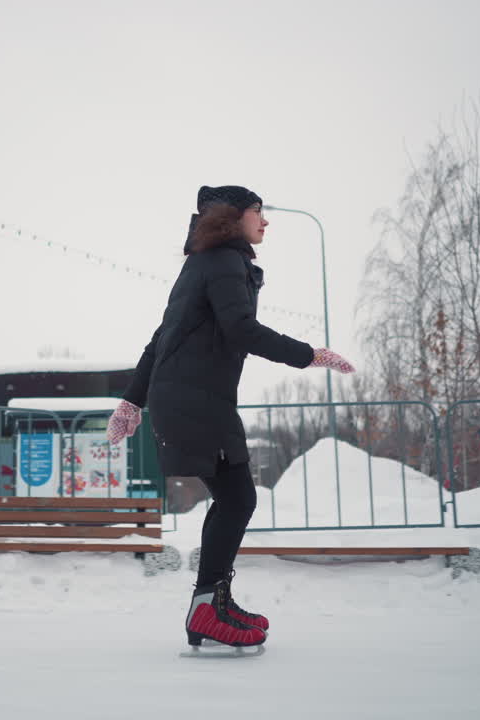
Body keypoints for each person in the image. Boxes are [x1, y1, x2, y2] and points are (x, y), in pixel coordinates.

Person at [107, 185, 356, 650]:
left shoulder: (203, 262)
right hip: (196, 400)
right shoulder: (222, 261)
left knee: (235, 497)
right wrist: (309, 355)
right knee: (238, 497)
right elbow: (241, 328)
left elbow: (160, 339)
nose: (265, 222)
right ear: (233, 218)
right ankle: (207, 606)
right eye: (257, 212)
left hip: (191, 397)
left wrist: (131, 401)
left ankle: (213, 602)